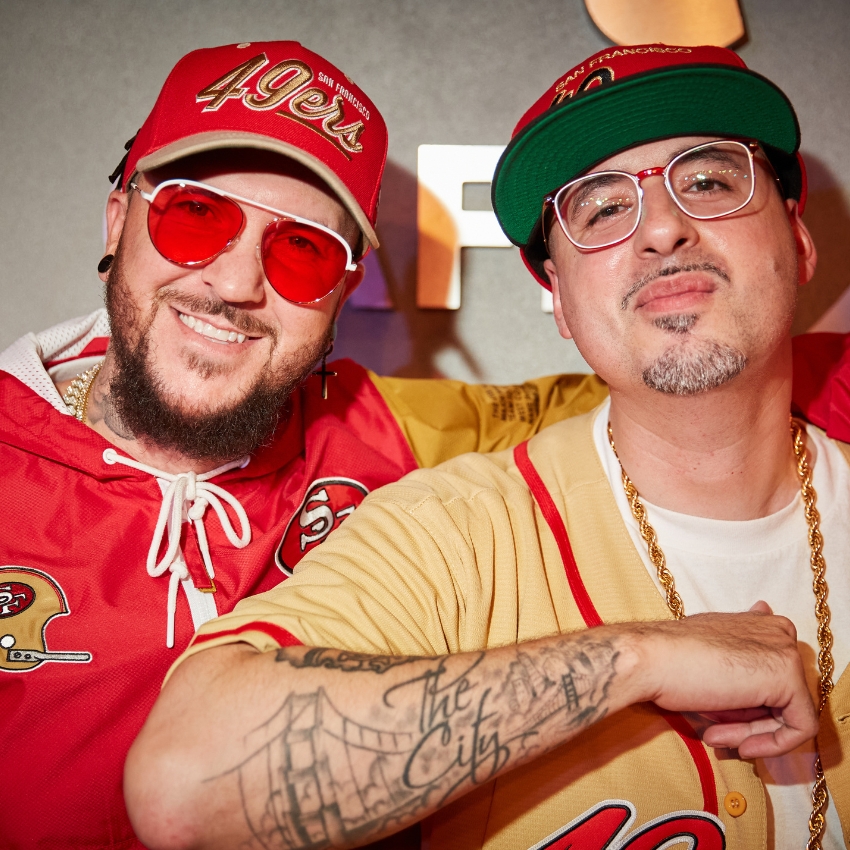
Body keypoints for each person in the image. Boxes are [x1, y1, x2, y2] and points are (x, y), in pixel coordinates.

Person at [126, 44, 850, 850]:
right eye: (602, 208)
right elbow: (184, 789)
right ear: (561, 304)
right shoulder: (457, 532)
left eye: (710, 181)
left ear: (800, 240)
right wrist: (640, 659)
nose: (665, 229)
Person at [0, 41, 613, 849]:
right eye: (195, 215)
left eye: (301, 251)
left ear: (343, 291)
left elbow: (683, 387)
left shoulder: (388, 432)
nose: (234, 283)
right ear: (119, 219)